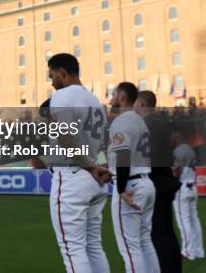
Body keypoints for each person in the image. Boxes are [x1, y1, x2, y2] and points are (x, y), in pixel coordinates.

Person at [46, 53, 112, 273]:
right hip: (94, 178)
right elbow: (104, 144)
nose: (51, 80)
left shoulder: (62, 96)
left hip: (74, 176)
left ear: (62, 73)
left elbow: (66, 141)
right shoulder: (95, 100)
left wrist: (92, 166)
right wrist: (99, 167)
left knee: (72, 249)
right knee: (93, 246)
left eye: (52, 75)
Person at [109, 82, 159, 273]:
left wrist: (121, 188)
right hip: (146, 182)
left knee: (130, 248)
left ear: (122, 96)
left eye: (114, 94)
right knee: (145, 241)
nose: (111, 98)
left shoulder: (121, 121)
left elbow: (123, 155)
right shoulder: (139, 120)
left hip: (130, 186)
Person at [134, 90, 182, 272]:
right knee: (167, 231)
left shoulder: (146, 125)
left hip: (156, 182)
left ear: (141, 103)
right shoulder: (160, 124)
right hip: (165, 180)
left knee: (157, 234)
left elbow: (148, 156)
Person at [172, 132, 204, 260]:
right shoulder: (190, 149)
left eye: (173, 138)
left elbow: (176, 170)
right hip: (192, 187)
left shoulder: (178, 150)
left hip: (183, 188)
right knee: (194, 220)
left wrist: (172, 177)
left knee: (183, 221)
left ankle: (186, 252)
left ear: (177, 139)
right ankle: (198, 251)